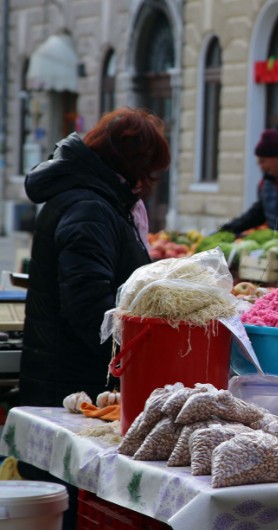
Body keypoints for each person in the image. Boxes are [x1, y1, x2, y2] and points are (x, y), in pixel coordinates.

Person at [20, 107, 170, 530]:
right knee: (64, 508)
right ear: (130, 165)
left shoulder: (99, 198)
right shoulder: (91, 207)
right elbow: (91, 310)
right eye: (147, 170)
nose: (149, 183)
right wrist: (135, 362)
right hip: (71, 387)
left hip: (71, 379)